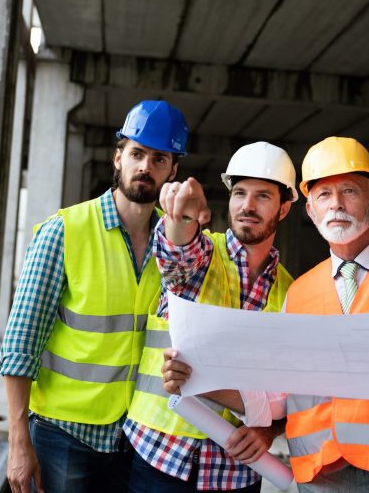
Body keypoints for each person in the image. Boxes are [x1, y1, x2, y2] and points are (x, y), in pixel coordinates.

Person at [163, 136, 369, 493]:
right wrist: (199, 378)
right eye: (323, 195)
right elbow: (276, 396)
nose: (336, 204)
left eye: (349, 191)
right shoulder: (300, 293)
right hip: (322, 477)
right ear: (311, 212)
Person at [0, 100, 188, 493]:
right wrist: (18, 439)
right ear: (118, 157)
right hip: (63, 435)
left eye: (159, 158)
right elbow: (20, 345)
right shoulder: (65, 231)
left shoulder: (174, 249)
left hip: (134, 439)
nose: (145, 167)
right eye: (137, 153)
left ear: (173, 170)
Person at [124, 141, 297, 492]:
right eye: (240, 193)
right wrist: (183, 218)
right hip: (159, 456)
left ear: (284, 208)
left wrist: (270, 430)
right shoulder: (205, 254)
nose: (247, 206)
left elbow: (293, 388)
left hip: (234, 471)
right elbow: (176, 254)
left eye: (263, 196)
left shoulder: (293, 293)